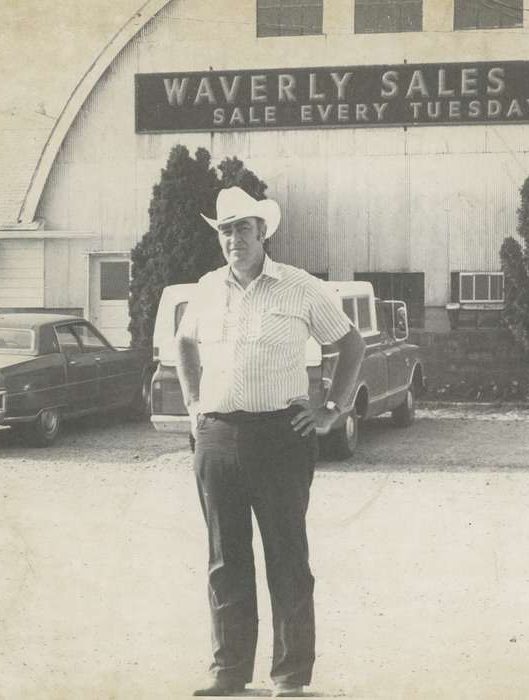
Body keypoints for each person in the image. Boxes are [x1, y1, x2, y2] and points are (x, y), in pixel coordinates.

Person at [175, 187, 366, 697]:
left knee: (286, 557)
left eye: (242, 228)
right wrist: (194, 405)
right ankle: (228, 671)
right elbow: (185, 343)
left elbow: (349, 343)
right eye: (225, 229)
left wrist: (333, 407)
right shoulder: (207, 288)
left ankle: (290, 676)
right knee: (224, 559)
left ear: (263, 233)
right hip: (215, 437)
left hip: (281, 437)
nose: (233, 238)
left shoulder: (300, 287)